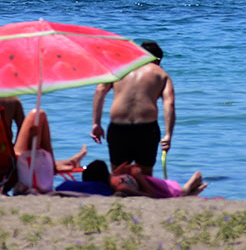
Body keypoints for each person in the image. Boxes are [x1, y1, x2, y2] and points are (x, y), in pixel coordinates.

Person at [90, 40, 174, 175]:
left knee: (119, 175)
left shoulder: (118, 68)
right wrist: (168, 135)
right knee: (145, 176)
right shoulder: (161, 74)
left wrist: (96, 123)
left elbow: (100, 90)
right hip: (146, 129)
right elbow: (169, 104)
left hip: (119, 127)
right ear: (158, 60)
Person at [13, 108, 87, 194]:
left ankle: (61, 164)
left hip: (28, 172)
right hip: (41, 182)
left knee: (37, 115)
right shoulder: (11, 102)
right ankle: (61, 164)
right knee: (38, 114)